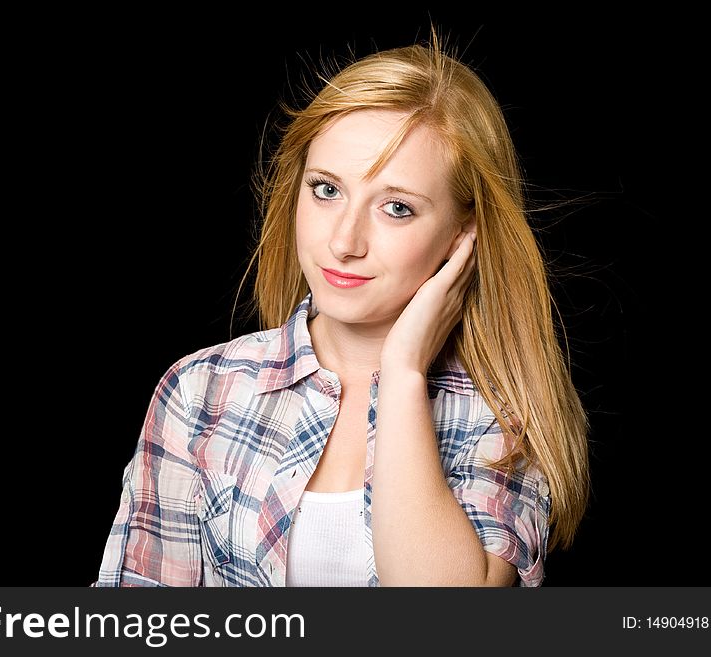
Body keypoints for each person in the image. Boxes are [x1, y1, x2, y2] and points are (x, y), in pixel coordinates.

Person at [92, 29, 589, 587]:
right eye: (326, 190)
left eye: (396, 207)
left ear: (461, 238)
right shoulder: (202, 391)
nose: (344, 242)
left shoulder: (502, 417)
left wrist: (402, 373)